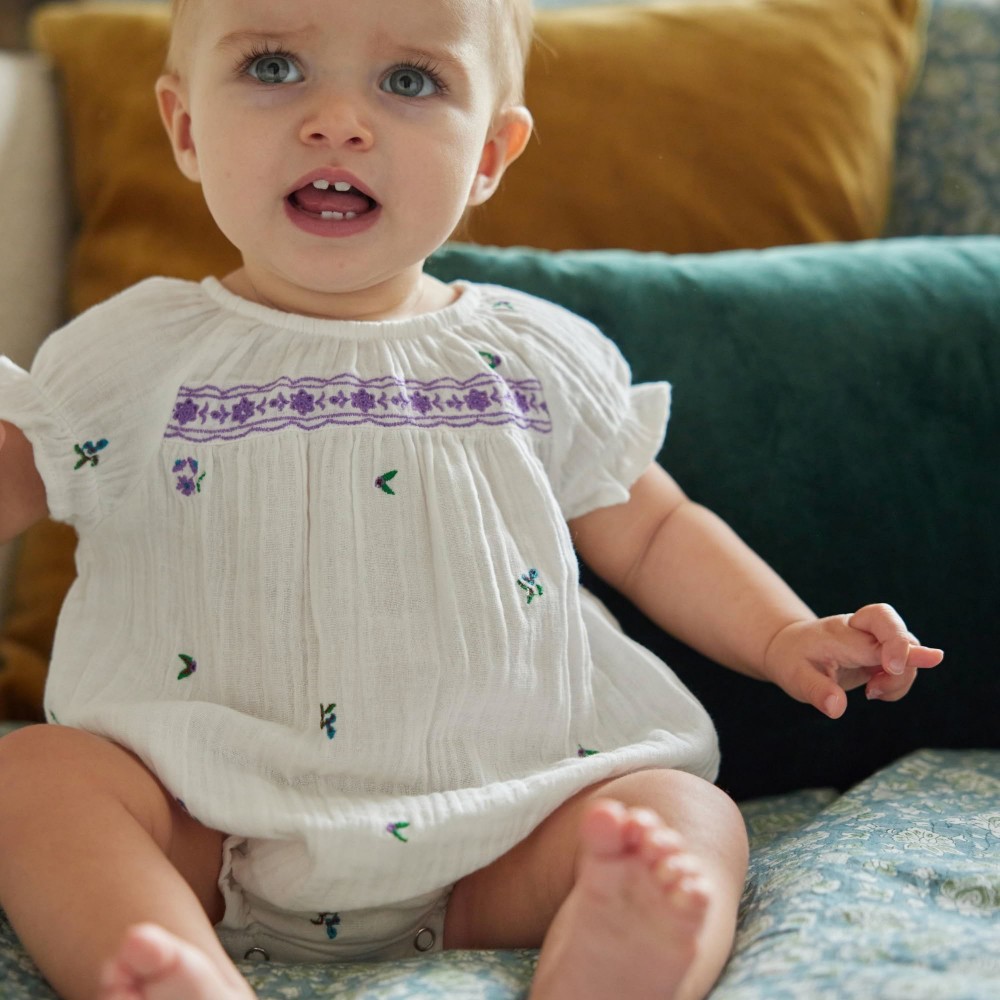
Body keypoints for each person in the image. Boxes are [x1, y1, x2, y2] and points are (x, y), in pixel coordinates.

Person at [0, 0, 944, 998]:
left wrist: (783, 632)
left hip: (502, 833)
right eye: (273, 67)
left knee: (681, 815)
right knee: (36, 779)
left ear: (490, 153)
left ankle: (607, 962)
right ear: (187, 127)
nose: (336, 122)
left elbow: (657, 532)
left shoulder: (533, 354)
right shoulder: (128, 356)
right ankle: (164, 960)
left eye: (409, 81)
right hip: (203, 823)